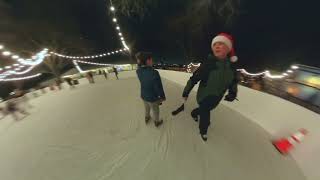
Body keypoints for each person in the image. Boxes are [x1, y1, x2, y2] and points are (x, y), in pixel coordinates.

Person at [182, 33, 239, 141]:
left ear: (228, 48)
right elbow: (194, 79)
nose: (217, 46)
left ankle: (194, 113)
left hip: (217, 97)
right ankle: (203, 131)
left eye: (221, 44)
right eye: (214, 44)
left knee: (207, 109)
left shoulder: (231, 68)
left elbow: (233, 82)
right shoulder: (208, 65)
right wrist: (186, 92)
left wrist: (232, 93)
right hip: (204, 96)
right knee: (205, 116)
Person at [136, 52, 166, 127]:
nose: (152, 61)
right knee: (155, 110)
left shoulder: (138, 71)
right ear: (147, 61)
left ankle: (147, 117)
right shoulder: (154, 72)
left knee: (146, 107)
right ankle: (156, 122)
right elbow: (158, 87)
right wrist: (162, 97)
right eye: (151, 60)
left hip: (143, 95)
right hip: (152, 97)